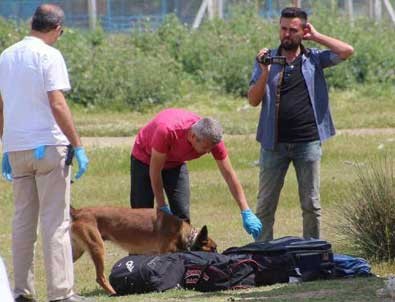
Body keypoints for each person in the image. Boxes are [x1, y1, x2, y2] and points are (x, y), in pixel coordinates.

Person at [0, 4, 91, 302]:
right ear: (57, 29)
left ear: (32, 23)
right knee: (55, 221)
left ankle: (22, 291)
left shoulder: (6, 56)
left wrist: (4, 143)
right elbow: (57, 103)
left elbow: (1, 105)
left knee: (23, 222)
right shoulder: (50, 55)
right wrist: (77, 144)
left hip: (17, 148)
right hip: (48, 147)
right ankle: (61, 293)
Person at [248, 7, 353, 242]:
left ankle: (312, 256)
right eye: (283, 28)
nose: (286, 34)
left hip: (308, 142)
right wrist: (265, 70)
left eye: (292, 30)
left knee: (311, 205)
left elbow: (347, 51)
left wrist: (316, 36)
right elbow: (253, 100)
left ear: (302, 31)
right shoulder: (267, 59)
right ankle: (263, 257)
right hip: (273, 144)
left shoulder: (314, 58)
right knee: (265, 206)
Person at [130, 108, 262, 240]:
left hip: (176, 163)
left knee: (182, 215)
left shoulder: (211, 139)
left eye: (211, 148)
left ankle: (180, 258)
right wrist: (162, 206)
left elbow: (229, 175)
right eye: (205, 148)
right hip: (145, 159)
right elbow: (155, 170)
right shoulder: (167, 130)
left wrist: (246, 210)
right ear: (193, 137)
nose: (209, 152)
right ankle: (137, 259)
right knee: (142, 215)